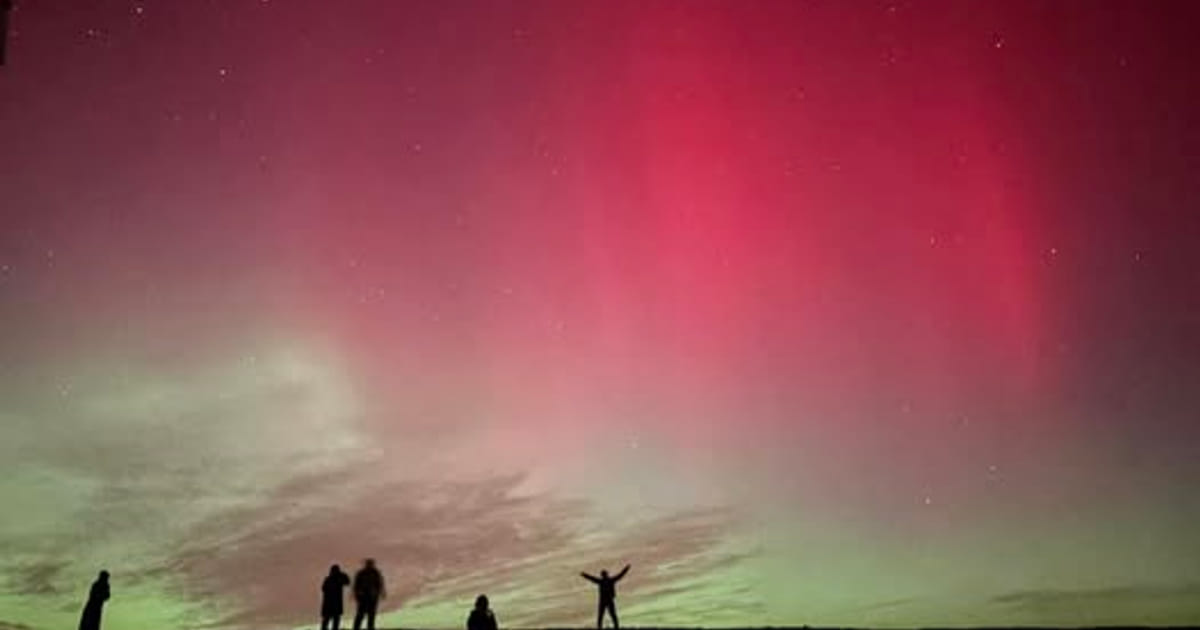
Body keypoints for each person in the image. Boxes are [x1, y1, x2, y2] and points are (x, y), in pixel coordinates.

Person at [580, 564, 630, 629]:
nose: (604, 576)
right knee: (606, 615)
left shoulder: (605, 581)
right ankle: (610, 626)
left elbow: (620, 575)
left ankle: (612, 626)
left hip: (607, 600)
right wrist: (584, 575)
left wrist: (626, 569)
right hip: (606, 600)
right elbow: (620, 575)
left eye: (604, 575)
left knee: (606, 615)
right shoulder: (607, 581)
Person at [352, 558, 386, 630]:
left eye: (371, 564)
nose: (370, 565)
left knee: (371, 614)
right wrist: (357, 594)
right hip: (363, 596)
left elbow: (380, 583)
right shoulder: (361, 573)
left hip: (372, 596)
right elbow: (356, 585)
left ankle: (370, 627)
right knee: (361, 613)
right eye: (369, 564)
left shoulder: (376, 573)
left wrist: (382, 592)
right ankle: (356, 627)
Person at [321, 564, 351, 630]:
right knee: (331, 620)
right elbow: (347, 582)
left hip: (331, 603)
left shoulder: (330, 579)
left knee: (330, 620)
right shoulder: (331, 579)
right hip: (332, 603)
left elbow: (347, 582)